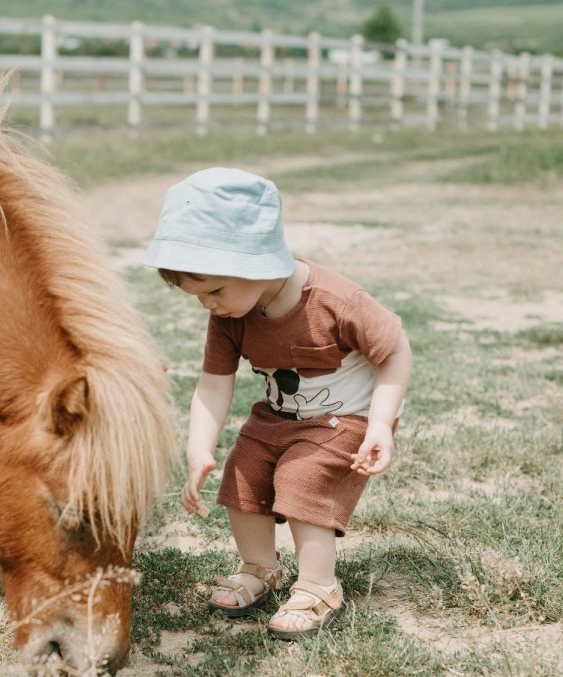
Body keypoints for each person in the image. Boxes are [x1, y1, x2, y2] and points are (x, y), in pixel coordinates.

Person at [140, 168, 412, 640]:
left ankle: (320, 585)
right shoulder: (232, 315)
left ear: (257, 262)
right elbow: (213, 384)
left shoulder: (335, 299)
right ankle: (260, 566)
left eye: (214, 290)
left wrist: (381, 425)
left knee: (301, 477)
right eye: (198, 296)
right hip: (280, 418)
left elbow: (395, 352)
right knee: (243, 472)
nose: (208, 305)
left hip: (349, 419)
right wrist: (199, 449)